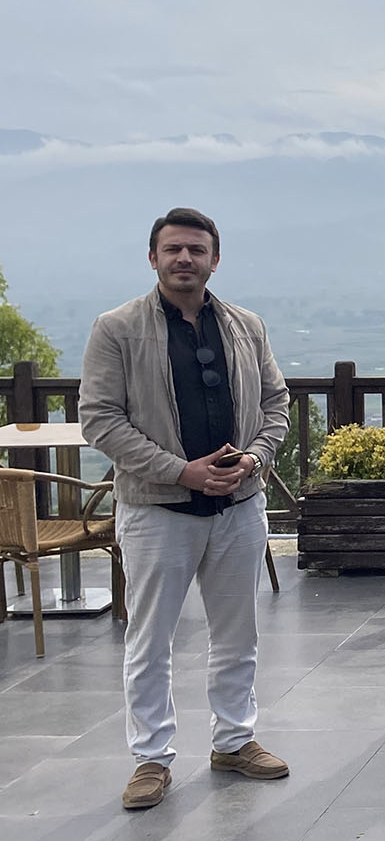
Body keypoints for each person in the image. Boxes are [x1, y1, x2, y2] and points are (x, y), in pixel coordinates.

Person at [79, 208, 292, 810]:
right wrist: (180, 471)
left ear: (214, 259)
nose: (184, 259)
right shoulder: (117, 328)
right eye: (172, 249)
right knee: (151, 638)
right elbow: (99, 418)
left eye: (196, 250)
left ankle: (234, 740)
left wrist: (252, 460)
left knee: (238, 634)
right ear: (153, 258)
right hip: (156, 510)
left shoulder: (247, 326)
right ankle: (150, 758)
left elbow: (276, 401)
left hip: (239, 506)